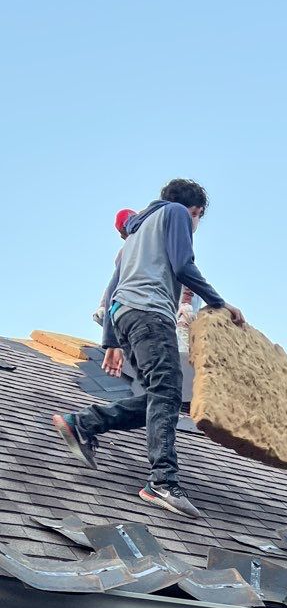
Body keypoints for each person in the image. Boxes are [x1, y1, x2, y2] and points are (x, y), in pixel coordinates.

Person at [53, 179, 244, 519]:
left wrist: (111, 341)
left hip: (126, 317)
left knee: (159, 398)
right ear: (196, 211)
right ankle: (162, 482)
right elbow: (184, 266)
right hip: (151, 315)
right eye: (198, 218)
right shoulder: (177, 213)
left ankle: (83, 423)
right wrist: (219, 303)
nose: (195, 224)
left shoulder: (136, 234)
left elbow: (113, 290)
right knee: (168, 393)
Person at [92, 209, 135, 327]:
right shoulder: (125, 252)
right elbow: (116, 281)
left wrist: (103, 306)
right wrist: (103, 306)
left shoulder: (128, 250)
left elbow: (115, 282)